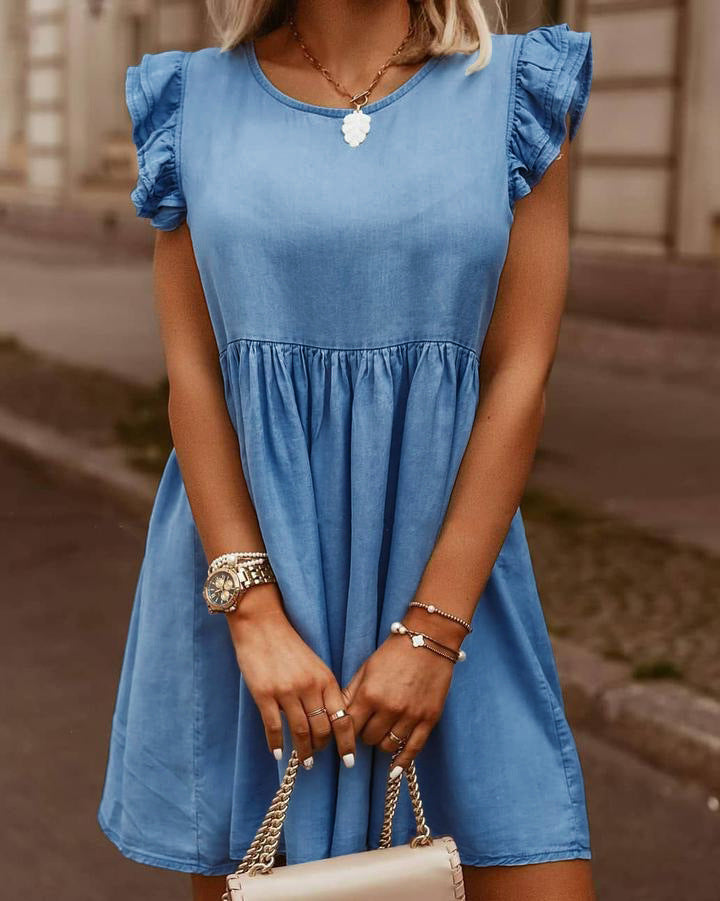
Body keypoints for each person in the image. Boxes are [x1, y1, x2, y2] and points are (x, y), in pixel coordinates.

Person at [97, 1, 596, 899]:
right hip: (260, 588)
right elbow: (194, 376)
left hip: (451, 578)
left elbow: (521, 371)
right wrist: (251, 613)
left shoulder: (515, 89)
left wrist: (433, 633)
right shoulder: (190, 100)